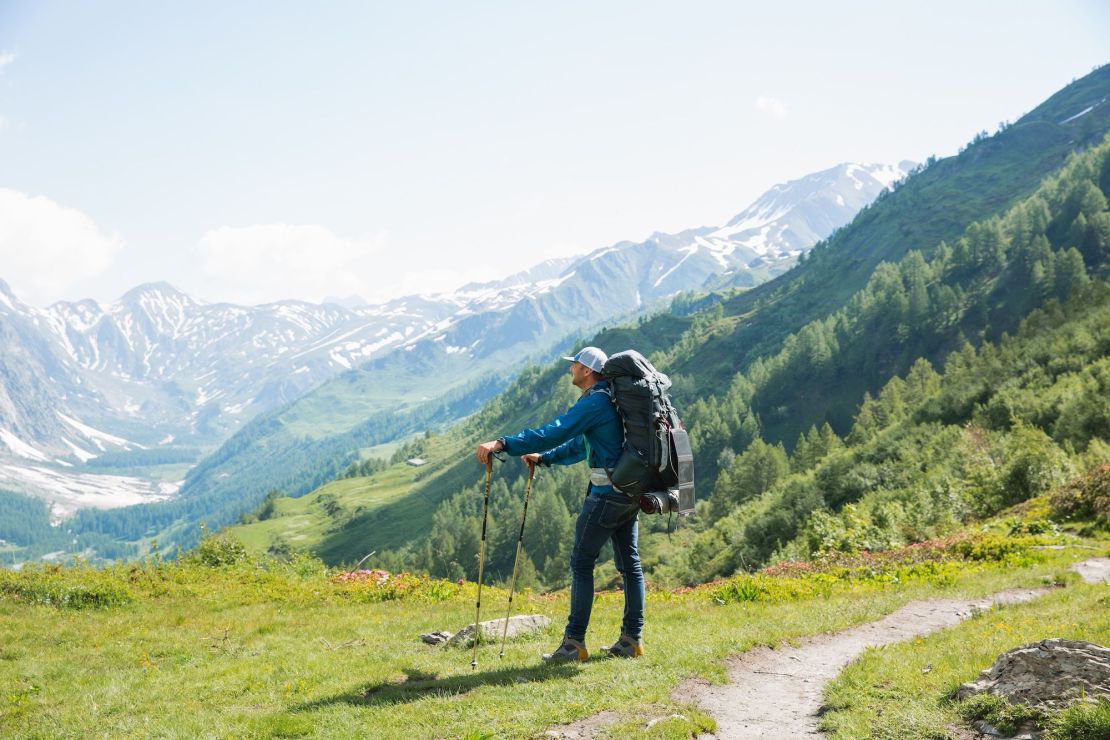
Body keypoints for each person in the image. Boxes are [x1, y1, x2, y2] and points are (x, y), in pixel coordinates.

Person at [475, 346, 645, 662]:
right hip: (630, 491)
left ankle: (573, 645)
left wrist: (503, 443)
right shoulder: (613, 400)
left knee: (582, 562)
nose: (571, 369)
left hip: (606, 494)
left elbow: (554, 432)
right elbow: (583, 445)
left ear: (587, 370)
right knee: (630, 564)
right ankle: (631, 641)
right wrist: (546, 459)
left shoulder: (595, 402)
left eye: (575, 364)